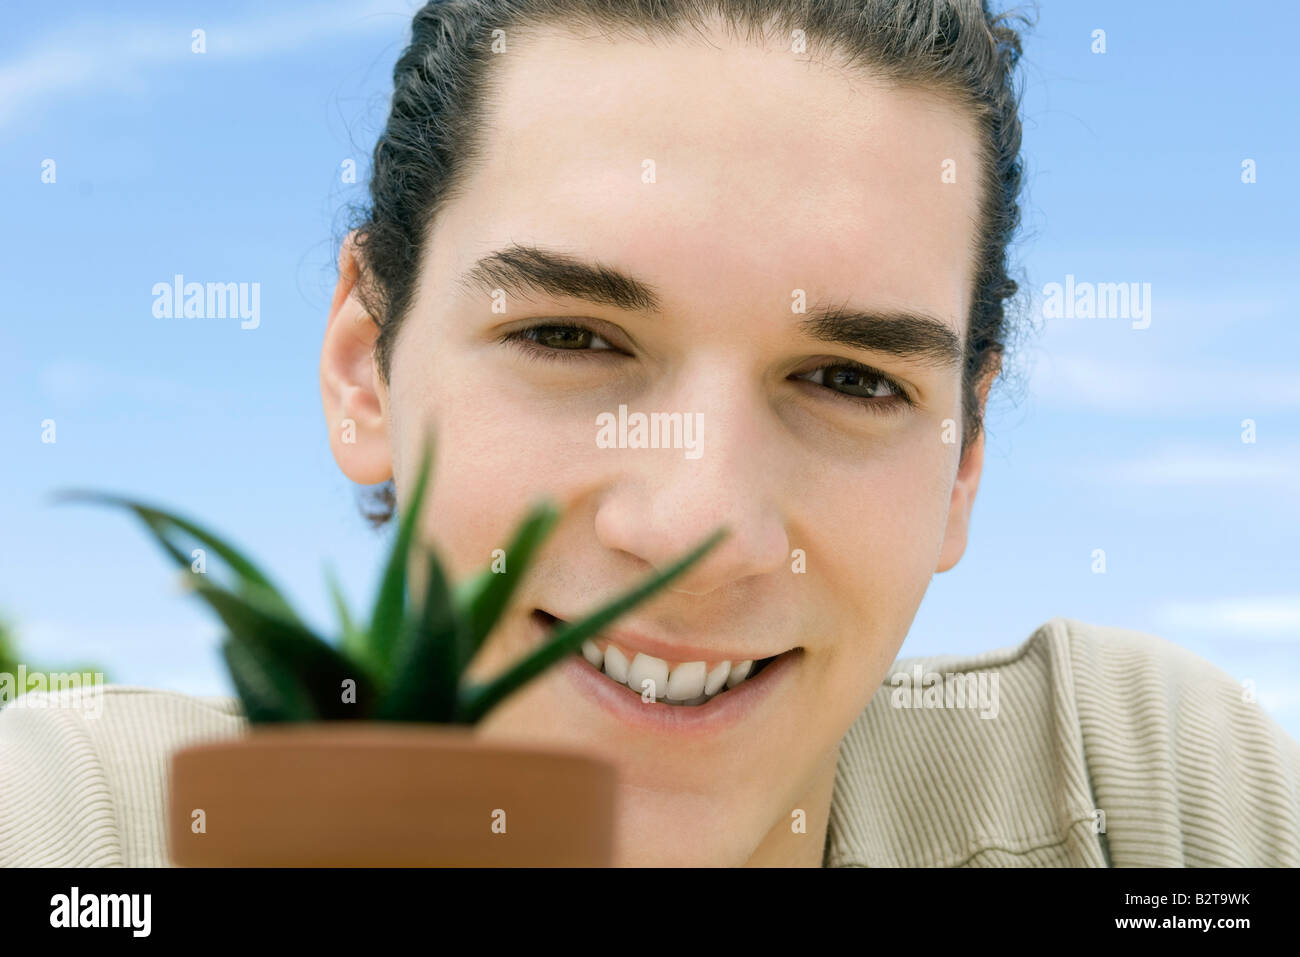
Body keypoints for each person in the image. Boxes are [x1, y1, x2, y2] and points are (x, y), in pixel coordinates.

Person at [2, 0, 1297, 867]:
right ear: (363, 370)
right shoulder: (85, 831)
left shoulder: (1152, 802)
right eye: (570, 337)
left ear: (962, 461)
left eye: (847, 378)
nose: (697, 527)